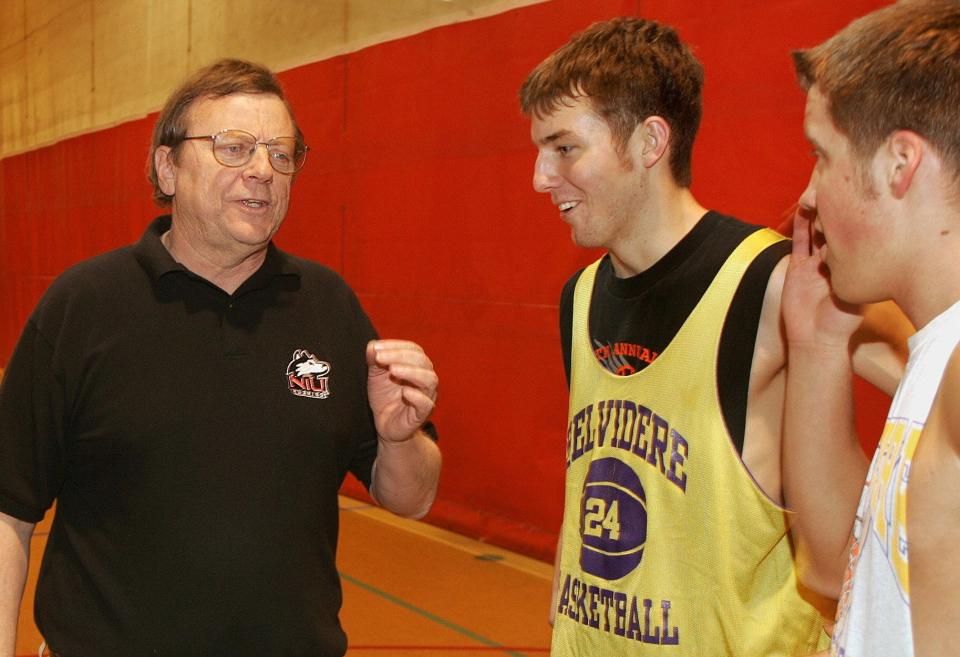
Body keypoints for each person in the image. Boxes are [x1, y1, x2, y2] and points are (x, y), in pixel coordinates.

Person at [0, 59, 441, 657]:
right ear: (168, 166)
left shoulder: (329, 307)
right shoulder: (83, 306)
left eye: (282, 153)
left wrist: (398, 439)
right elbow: (8, 510)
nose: (263, 170)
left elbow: (411, 498)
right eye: (234, 148)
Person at [518, 16, 907, 657]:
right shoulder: (580, 296)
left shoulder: (774, 281)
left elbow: (933, 369)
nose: (540, 177)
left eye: (564, 148)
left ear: (649, 142)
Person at [782, 1, 960, 656]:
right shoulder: (933, 345)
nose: (807, 194)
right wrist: (818, 339)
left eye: (820, 156)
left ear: (899, 163)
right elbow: (834, 568)